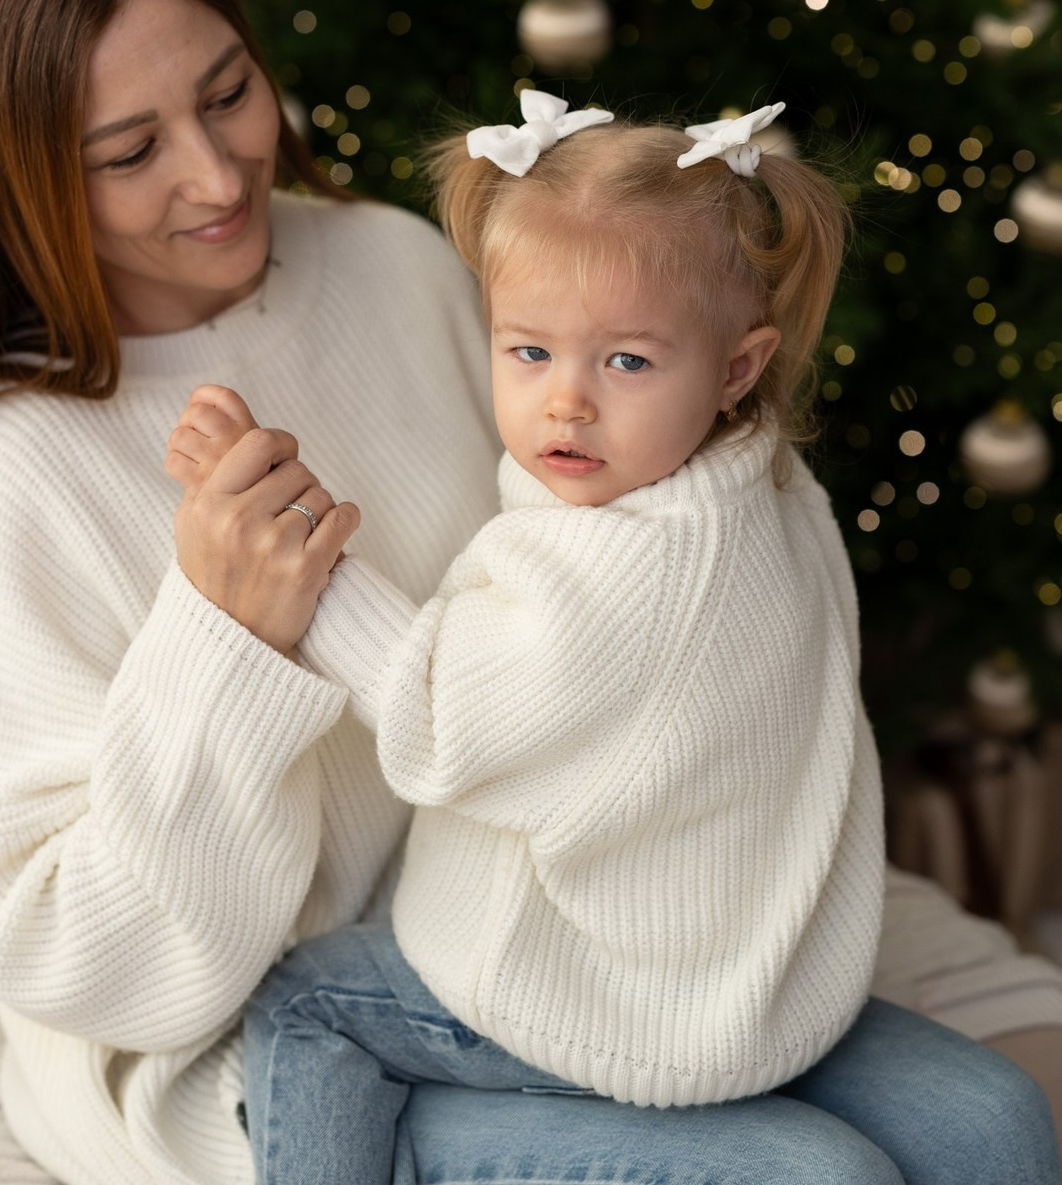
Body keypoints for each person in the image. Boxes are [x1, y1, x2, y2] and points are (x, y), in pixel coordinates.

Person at [0, 0, 1058, 1183]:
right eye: (127, 152)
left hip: (547, 937)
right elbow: (79, 959)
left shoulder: (398, 265)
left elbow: (617, 585)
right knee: (813, 1175)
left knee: (993, 1123)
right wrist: (223, 640)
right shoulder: (15, 473)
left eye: (228, 93)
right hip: (255, 1044)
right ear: (22, 173)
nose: (219, 177)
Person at [167, 95, 1062, 1185]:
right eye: (529, 350)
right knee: (996, 1121)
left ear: (735, 367)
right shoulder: (769, 483)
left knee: (303, 999)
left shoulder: (615, 564)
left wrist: (290, 530)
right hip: (757, 978)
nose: (565, 405)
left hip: (609, 997)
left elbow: (434, 712)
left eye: (625, 362)